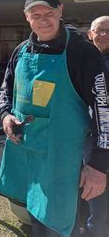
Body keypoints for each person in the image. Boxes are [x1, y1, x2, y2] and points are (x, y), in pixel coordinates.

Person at [0, 0, 109, 237]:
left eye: (48, 12)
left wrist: (99, 165)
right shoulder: (21, 51)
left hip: (68, 160)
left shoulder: (83, 53)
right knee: (37, 218)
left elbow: (104, 109)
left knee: (67, 224)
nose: (42, 19)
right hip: (30, 155)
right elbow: (6, 90)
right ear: (27, 18)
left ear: (60, 11)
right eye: (35, 14)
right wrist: (5, 115)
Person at [83, 16, 109, 237]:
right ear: (90, 34)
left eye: (108, 31)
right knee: (91, 188)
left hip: (104, 139)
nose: (103, 35)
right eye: (98, 31)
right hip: (88, 135)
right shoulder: (88, 61)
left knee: (98, 188)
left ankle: (96, 230)